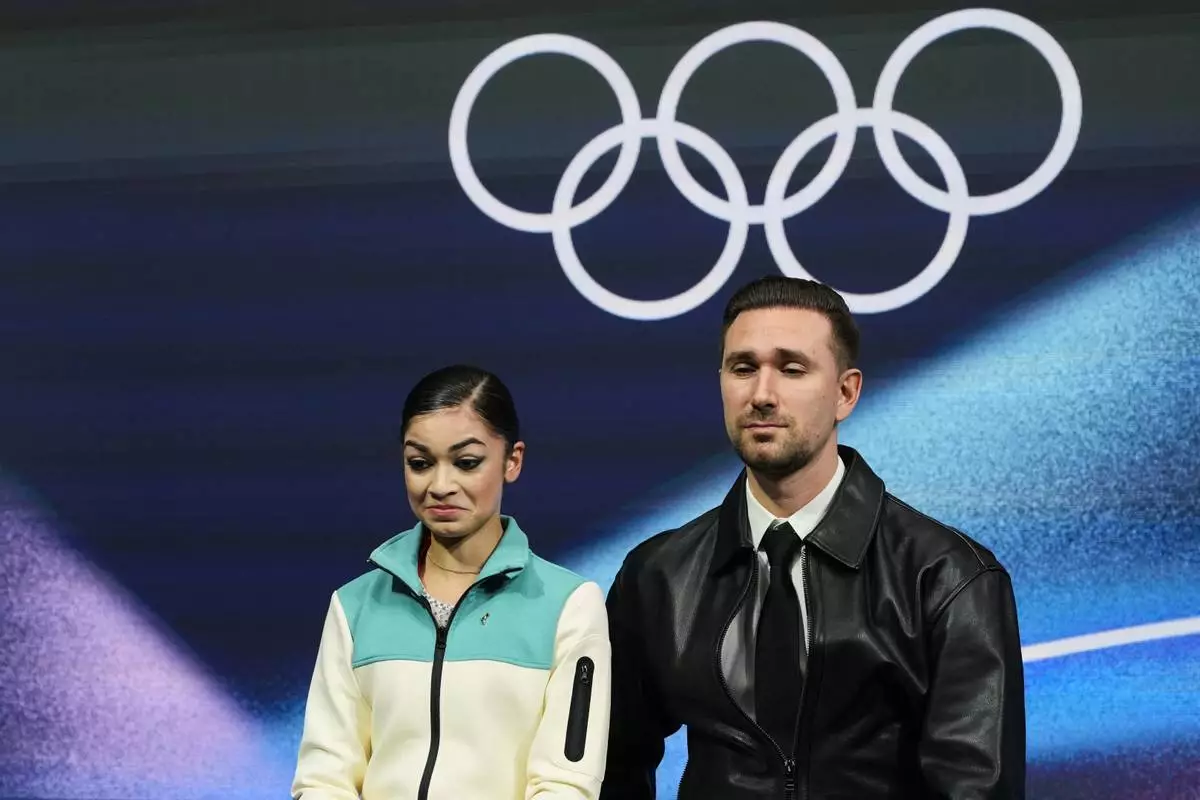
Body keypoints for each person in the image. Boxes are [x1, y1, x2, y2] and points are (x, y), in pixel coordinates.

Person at [600, 277, 1025, 799]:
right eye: (743, 368)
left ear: (845, 393)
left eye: (792, 368)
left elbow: (975, 788)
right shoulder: (658, 574)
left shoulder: (947, 577)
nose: (761, 394)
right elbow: (611, 767)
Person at [292, 365, 611, 800]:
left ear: (512, 460)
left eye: (466, 462)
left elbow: (565, 786)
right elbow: (323, 779)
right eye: (420, 463)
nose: (440, 485)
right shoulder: (355, 606)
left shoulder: (569, 606)